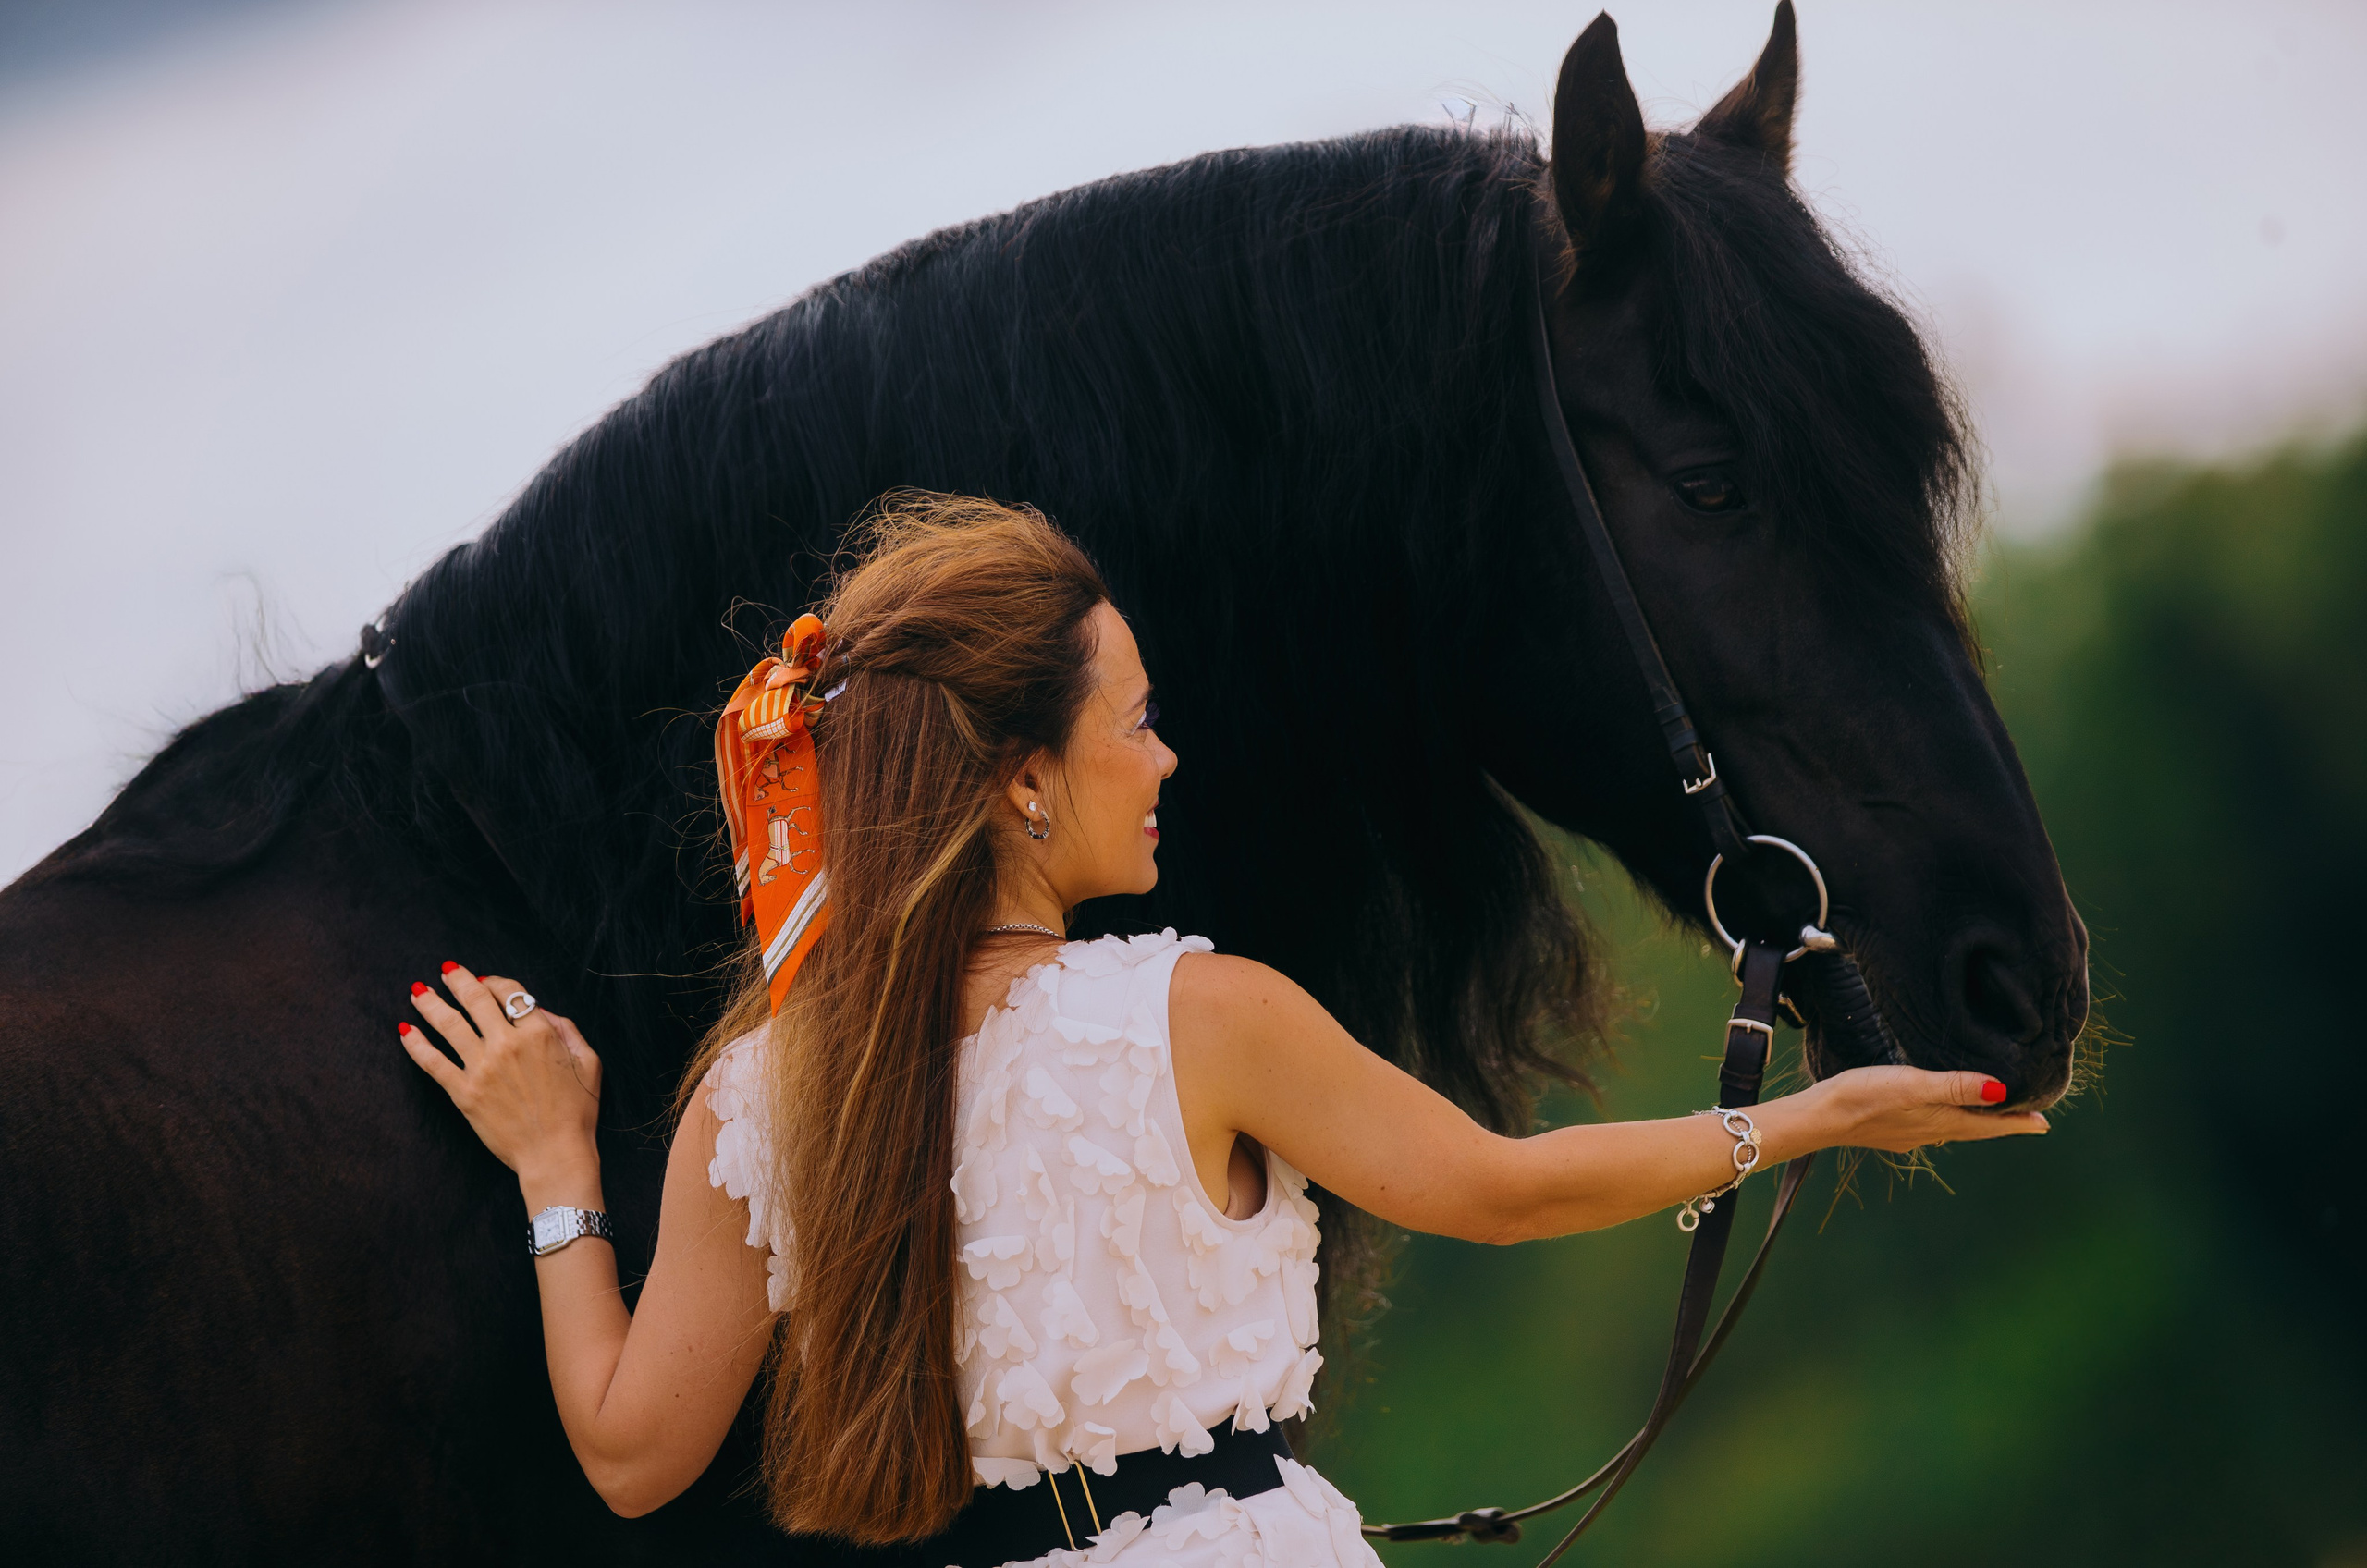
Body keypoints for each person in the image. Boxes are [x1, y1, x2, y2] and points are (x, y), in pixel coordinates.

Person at [395, 494, 2047, 1565]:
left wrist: (555, 1164)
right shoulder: (1197, 1014)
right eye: (1140, 721)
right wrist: (1809, 1119)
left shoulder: (765, 1095)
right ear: (1023, 783)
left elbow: (628, 1454)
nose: (1168, 759)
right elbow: (1502, 1189)